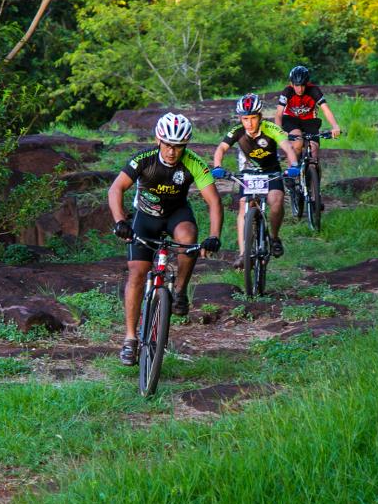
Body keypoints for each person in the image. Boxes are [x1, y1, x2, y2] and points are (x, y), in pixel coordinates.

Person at [109, 112, 224, 366]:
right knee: (137, 273)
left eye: (179, 147)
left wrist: (214, 235)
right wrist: (120, 221)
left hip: (176, 215)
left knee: (188, 238)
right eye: (168, 145)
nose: (173, 152)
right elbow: (116, 188)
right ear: (159, 140)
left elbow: (214, 201)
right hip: (146, 217)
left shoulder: (193, 163)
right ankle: (130, 339)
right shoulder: (144, 160)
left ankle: (180, 290)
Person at [210, 93, 299, 269]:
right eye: (245, 119)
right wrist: (217, 166)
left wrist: (294, 164)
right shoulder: (237, 131)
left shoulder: (270, 128)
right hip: (249, 173)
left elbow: (287, 147)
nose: (249, 123)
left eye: (253, 118)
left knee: (276, 201)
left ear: (260, 116)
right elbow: (221, 148)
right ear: (240, 118)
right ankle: (243, 254)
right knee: (244, 205)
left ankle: (273, 237)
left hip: (271, 172)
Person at [275, 65, 341, 161]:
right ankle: (292, 172)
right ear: (291, 84)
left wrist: (335, 126)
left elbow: (326, 109)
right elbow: (278, 113)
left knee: (314, 151)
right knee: (297, 143)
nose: (300, 89)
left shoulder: (314, 90)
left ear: (307, 83)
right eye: (297, 85)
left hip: (309, 120)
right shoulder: (287, 91)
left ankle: (314, 172)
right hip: (291, 119)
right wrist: (279, 130)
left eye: (302, 85)